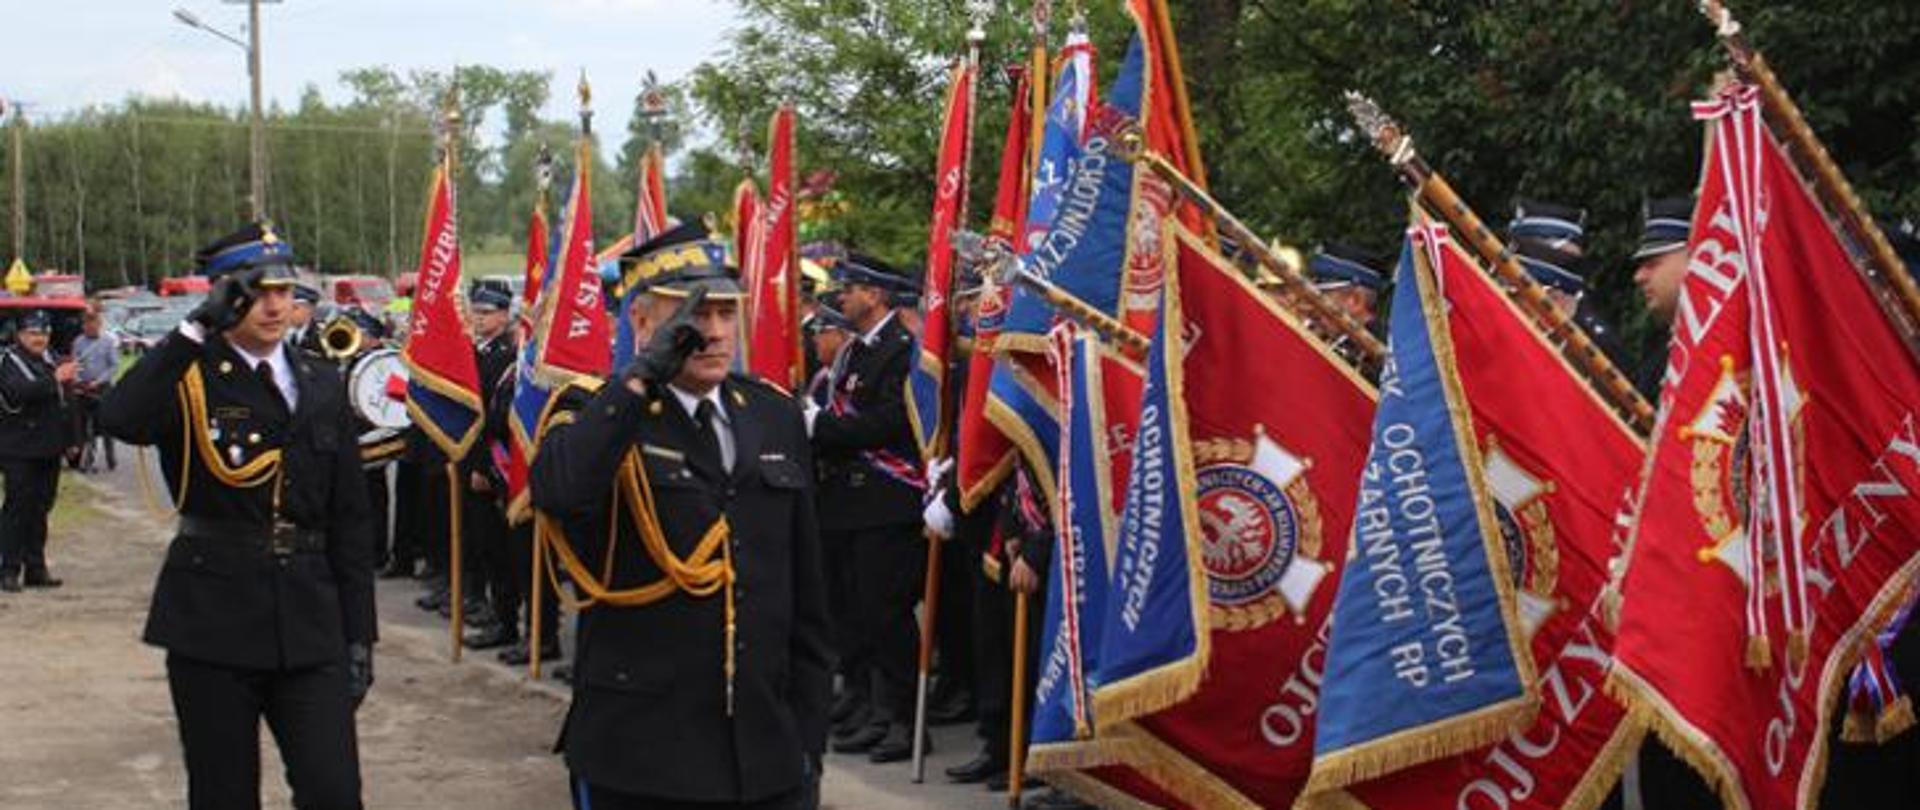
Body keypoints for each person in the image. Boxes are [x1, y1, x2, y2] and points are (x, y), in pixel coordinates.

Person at [532, 222, 831, 809]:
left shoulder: (772, 414)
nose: (714, 333)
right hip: (642, 751)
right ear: (644, 323)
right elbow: (560, 491)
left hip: (764, 749)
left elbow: (806, 593)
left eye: (725, 313)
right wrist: (640, 378)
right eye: (693, 316)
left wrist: (808, 739)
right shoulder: (601, 411)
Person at [97, 222, 375, 809]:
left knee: (334, 792)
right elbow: (120, 418)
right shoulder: (190, 375)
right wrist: (193, 330)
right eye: (256, 292)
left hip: (309, 619)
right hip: (213, 620)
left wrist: (359, 634)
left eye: (284, 291)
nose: (275, 306)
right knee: (223, 795)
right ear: (224, 294)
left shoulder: (321, 380)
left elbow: (350, 518)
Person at [807, 253, 929, 764]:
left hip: (887, 501)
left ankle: (901, 718)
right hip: (848, 502)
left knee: (887, 614)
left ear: (875, 296)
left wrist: (820, 426)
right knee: (854, 612)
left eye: (851, 288)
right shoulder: (856, 351)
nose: (842, 296)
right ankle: (867, 704)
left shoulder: (902, 351)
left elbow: (890, 423)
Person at [462, 279, 522, 652]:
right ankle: (497, 613)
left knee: (500, 550)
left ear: (504, 315)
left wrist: (483, 468)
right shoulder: (478, 351)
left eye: (487, 312)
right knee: (482, 543)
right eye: (477, 311)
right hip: (473, 458)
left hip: (492, 466)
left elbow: (494, 419)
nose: (479, 318)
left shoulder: (505, 356)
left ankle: (507, 622)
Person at [0, 311, 77, 591]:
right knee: (17, 508)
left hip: (49, 446)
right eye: (33, 333)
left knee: (41, 508)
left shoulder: (51, 360)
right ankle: (9, 569)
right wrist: (54, 379)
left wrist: (72, 440)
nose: (39, 339)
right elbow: (16, 393)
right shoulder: (9, 361)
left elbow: (66, 403)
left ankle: (36, 567)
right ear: (20, 335)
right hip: (18, 448)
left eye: (43, 333)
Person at [70, 306, 121, 472]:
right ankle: (86, 460)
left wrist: (99, 381)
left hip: (102, 388)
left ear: (99, 325)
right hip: (83, 389)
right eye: (87, 326)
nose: (90, 329)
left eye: (93, 326)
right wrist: (78, 380)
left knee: (106, 425)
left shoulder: (108, 341)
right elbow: (75, 363)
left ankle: (110, 457)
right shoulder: (78, 342)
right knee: (83, 426)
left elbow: (114, 365)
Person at [287, 282, 324, 357]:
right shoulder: (280, 333)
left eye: (295, 308)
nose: (289, 312)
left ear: (309, 309)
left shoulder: (322, 336)